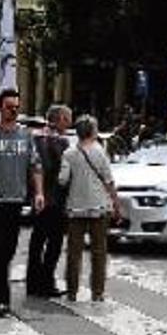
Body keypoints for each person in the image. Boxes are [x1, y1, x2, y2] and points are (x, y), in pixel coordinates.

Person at [0, 88, 44, 317]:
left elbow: (35, 165)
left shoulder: (25, 135)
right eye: (9, 106)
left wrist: (39, 192)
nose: (13, 110)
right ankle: (0, 299)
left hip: (16, 198)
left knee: (9, 248)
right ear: (0, 108)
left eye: (16, 107)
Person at [59, 115, 121, 303]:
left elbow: (62, 180)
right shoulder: (99, 151)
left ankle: (72, 291)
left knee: (74, 252)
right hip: (98, 207)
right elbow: (109, 180)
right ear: (93, 131)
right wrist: (116, 203)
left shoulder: (69, 153)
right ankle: (98, 292)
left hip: (75, 208)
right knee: (99, 252)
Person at [26, 104, 72, 297]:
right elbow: (63, 171)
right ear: (60, 119)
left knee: (37, 240)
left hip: (37, 195)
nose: (69, 122)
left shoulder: (34, 138)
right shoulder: (60, 142)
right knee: (54, 243)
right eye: (67, 118)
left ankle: (32, 282)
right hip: (56, 198)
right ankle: (46, 282)